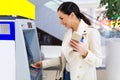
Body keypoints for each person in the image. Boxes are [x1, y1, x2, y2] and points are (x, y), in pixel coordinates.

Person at [31, 1, 103, 80]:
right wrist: (43, 64)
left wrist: (86, 53)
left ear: (72, 15)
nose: (60, 22)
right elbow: (64, 59)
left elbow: (98, 62)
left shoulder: (91, 32)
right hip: (66, 75)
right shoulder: (68, 34)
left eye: (62, 18)